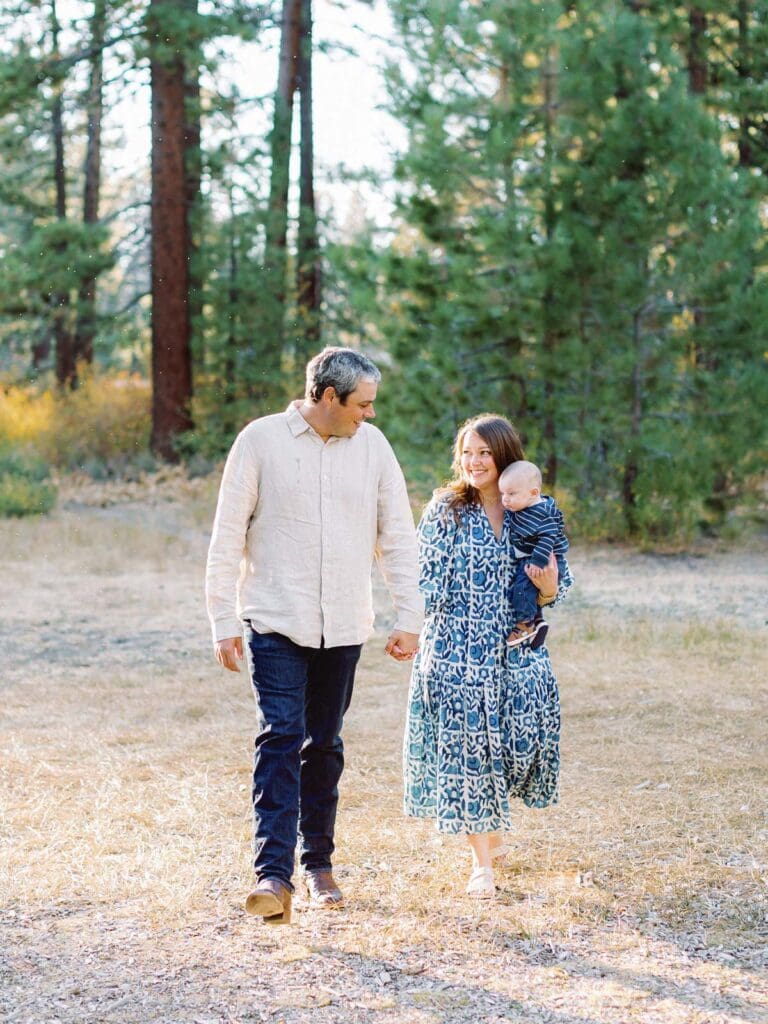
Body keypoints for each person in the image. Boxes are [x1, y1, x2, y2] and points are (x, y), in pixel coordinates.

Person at [206, 347, 424, 925]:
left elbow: (397, 536)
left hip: (345, 623)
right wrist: (222, 619)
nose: (369, 415)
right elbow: (227, 535)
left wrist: (410, 617)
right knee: (280, 735)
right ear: (328, 397)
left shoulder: (374, 449)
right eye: (362, 404)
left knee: (322, 743)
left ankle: (318, 863)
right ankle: (272, 876)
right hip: (275, 618)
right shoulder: (259, 441)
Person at [403, 414, 573, 900]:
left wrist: (548, 589)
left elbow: (560, 584)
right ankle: (482, 863)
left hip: (520, 650)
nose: (474, 462)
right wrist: (418, 630)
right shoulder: (447, 509)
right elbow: (424, 579)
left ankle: (492, 839)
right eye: (467, 453)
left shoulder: (536, 511)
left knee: (519, 751)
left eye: (484, 452)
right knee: (471, 754)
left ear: (504, 454)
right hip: (457, 653)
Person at [497, 460, 569, 648]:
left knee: (521, 587)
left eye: (511, 494)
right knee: (527, 589)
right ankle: (538, 620)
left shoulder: (541, 513)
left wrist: (538, 561)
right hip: (534, 556)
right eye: (503, 493)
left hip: (542, 559)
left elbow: (548, 538)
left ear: (533, 493)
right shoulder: (522, 506)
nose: (505, 499)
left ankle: (524, 625)